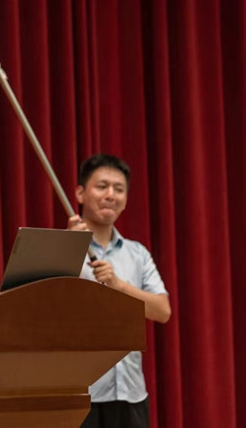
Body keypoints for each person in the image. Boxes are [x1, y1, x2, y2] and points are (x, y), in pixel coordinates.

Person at [67, 154, 171, 428]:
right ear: (80, 193)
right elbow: (40, 307)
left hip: (130, 391)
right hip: (78, 392)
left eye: (119, 189)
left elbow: (162, 311)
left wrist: (118, 285)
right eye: (102, 186)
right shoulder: (61, 247)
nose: (111, 195)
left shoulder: (138, 254)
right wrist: (68, 248)